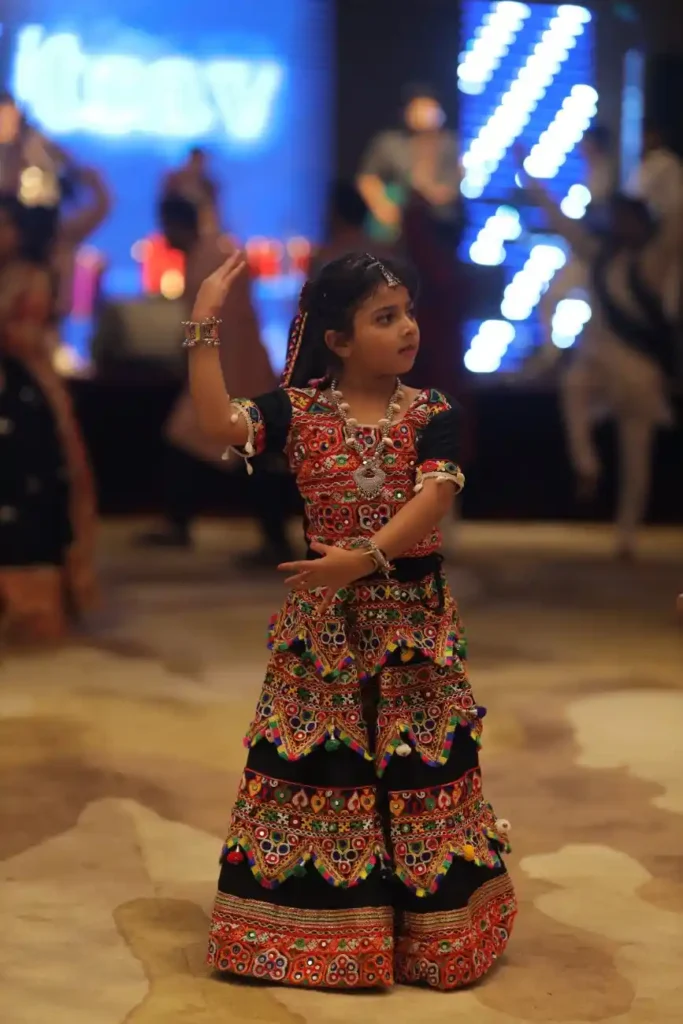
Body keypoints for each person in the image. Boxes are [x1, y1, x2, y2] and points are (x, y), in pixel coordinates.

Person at [188, 249, 516, 989]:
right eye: (385, 318)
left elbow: (434, 497)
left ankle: (432, 939)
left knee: (421, 769)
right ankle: (314, 938)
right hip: (324, 629)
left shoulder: (433, 411)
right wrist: (204, 321)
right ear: (337, 339)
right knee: (320, 768)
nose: (408, 329)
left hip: (411, 625)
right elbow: (216, 422)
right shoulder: (297, 410)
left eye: (407, 314)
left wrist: (364, 558)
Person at [519, 158, 677, 560]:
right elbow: (562, 223)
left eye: (628, 218)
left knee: (636, 455)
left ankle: (627, 533)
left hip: (639, 373)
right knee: (574, 384)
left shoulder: (654, 259)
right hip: (599, 364)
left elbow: (677, 224)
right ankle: (586, 464)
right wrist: (530, 178)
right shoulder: (599, 256)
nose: (621, 225)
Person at [140, 196, 291, 562]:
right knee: (233, 447)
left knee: (212, 444)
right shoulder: (216, 253)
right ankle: (185, 522)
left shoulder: (205, 261)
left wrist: (194, 361)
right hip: (240, 365)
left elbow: (204, 322)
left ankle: (266, 538)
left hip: (228, 369)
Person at [0, 195, 97, 642]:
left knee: (47, 479)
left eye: (5, 225)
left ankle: (47, 597)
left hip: (30, 386)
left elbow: (26, 335)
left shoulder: (33, 275)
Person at [357, 85, 463, 244]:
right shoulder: (389, 143)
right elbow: (367, 178)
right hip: (396, 229)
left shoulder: (453, 145)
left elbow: (456, 183)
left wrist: (431, 195)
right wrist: (383, 207)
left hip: (441, 227)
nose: (423, 114)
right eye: (417, 108)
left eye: (429, 108)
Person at [162, 147, 220, 235]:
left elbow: (213, 212)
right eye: (195, 161)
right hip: (176, 227)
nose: (198, 165)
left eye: (201, 162)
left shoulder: (208, 186)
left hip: (202, 231)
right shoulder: (174, 181)